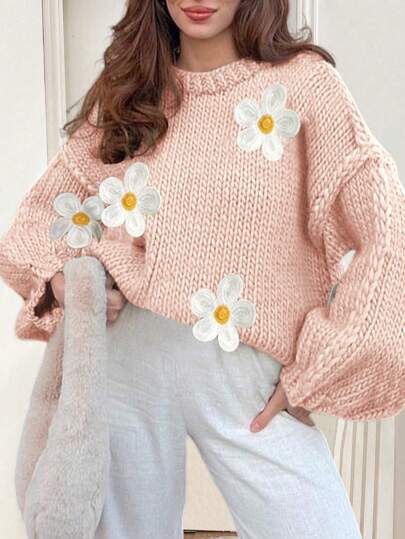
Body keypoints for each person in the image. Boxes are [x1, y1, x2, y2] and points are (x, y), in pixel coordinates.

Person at [1, 1, 404, 537]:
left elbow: (387, 231)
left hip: (243, 376)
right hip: (126, 362)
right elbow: (37, 221)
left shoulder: (305, 86)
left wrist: (317, 369)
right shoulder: (131, 90)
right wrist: (62, 280)